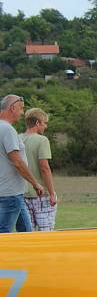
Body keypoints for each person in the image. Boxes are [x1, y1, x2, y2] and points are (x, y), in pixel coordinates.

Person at [0, 95, 44, 233]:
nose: (22, 112)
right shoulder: (7, 130)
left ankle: (30, 255)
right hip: (10, 194)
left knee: (26, 231)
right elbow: (17, 162)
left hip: (13, 192)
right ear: (12, 108)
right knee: (4, 233)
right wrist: (35, 183)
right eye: (21, 109)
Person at [21, 108, 58, 231]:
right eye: (44, 123)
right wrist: (52, 194)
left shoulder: (17, 138)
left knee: (28, 233)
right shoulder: (42, 140)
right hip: (41, 195)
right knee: (46, 234)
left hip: (22, 194)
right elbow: (44, 168)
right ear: (37, 123)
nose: (45, 126)